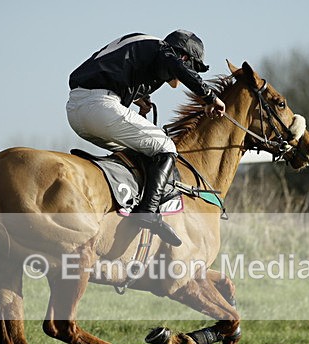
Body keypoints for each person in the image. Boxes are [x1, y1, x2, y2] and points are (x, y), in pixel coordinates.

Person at [67, 30, 226, 247]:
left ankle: (122, 204)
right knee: (166, 147)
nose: (179, 79)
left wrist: (140, 97)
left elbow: (114, 68)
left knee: (140, 153)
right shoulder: (163, 50)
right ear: (185, 57)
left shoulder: (144, 46)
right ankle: (148, 212)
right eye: (190, 67)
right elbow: (175, 65)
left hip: (76, 110)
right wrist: (209, 96)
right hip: (99, 106)